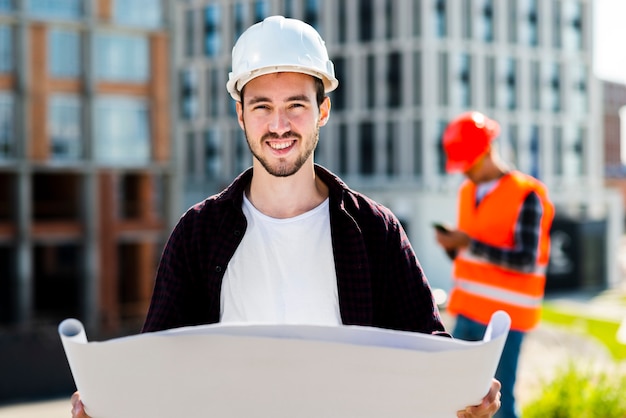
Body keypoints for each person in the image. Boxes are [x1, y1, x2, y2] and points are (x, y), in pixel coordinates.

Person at [71, 16, 501, 418]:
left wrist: (466, 393)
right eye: (261, 107)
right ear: (241, 115)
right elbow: (157, 364)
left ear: (323, 112)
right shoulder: (199, 234)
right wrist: (114, 402)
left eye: (296, 105)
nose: (279, 126)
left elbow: (428, 347)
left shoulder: (374, 230)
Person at [434, 111, 554, 418]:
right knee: (456, 399)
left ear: (487, 152)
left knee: (499, 404)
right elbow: (470, 258)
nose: (465, 174)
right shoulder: (467, 192)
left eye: (469, 165)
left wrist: (468, 244)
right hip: (468, 311)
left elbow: (526, 261)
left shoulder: (526, 195)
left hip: (505, 321)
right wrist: (454, 247)